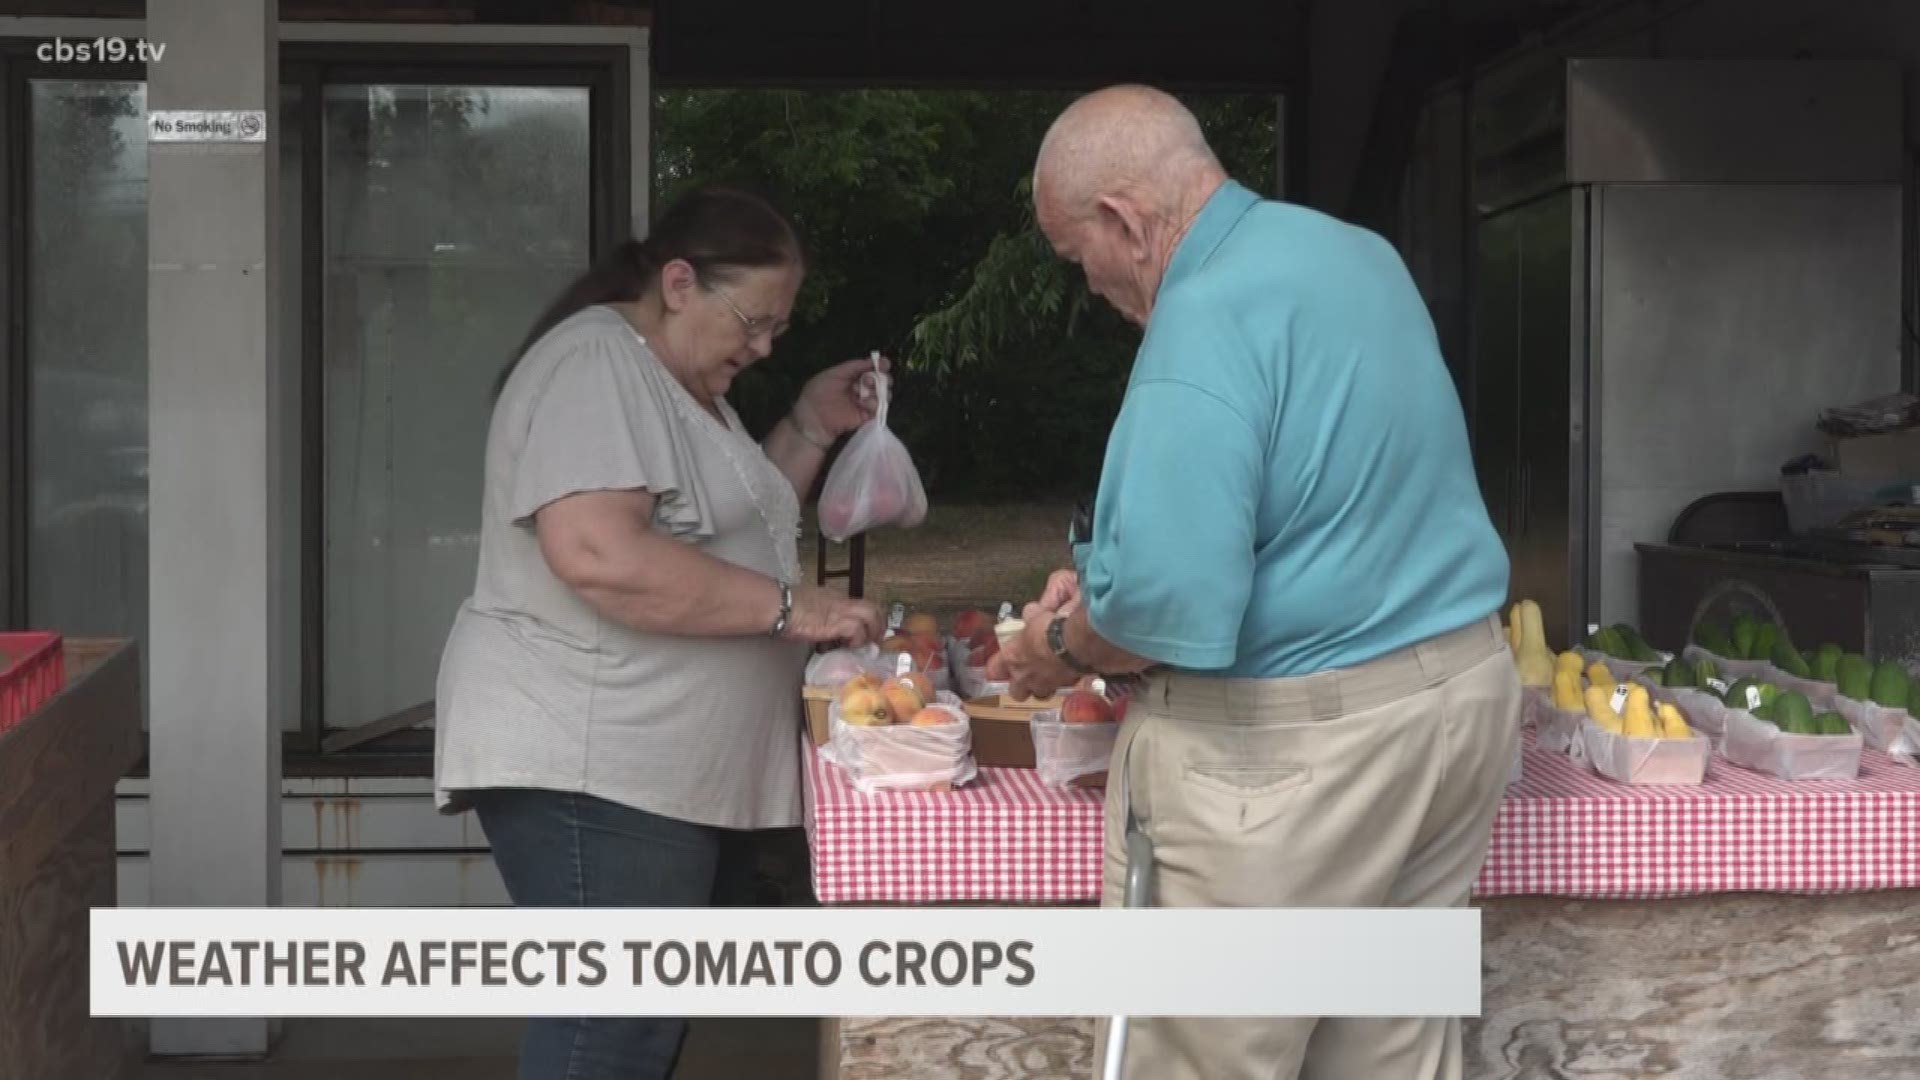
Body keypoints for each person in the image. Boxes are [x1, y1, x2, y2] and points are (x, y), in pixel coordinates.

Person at [989, 86, 1521, 1080]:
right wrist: (1109, 577)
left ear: (1122, 219)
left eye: (1080, 259)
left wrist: (1054, 648)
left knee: (1205, 1054)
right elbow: (1321, 494)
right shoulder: (1352, 253)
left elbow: (1161, 609)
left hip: (1297, 758)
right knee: (1385, 1054)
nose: (1091, 285)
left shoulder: (1201, 318)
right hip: (1456, 707)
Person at [433, 184, 886, 1080]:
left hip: (660, 771)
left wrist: (805, 424)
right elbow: (599, 551)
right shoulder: (598, 365)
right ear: (679, 282)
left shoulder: (681, 387)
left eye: (778, 331)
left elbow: (730, 526)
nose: (760, 345)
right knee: (611, 1027)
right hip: (593, 763)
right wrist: (799, 612)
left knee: (640, 1026)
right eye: (753, 321)